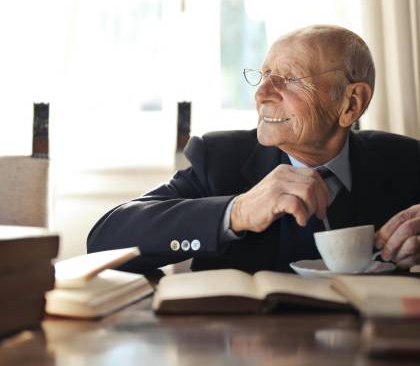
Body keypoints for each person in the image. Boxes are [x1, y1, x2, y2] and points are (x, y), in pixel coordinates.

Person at [87, 25, 420, 273]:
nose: (262, 94)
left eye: (289, 79)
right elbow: (105, 240)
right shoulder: (219, 158)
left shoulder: (405, 161)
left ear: (351, 103)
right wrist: (237, 212)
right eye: (263, 76)